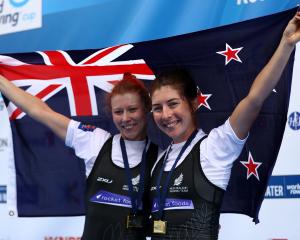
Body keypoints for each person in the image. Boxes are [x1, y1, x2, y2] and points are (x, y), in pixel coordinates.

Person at [149, 11, 300, 240]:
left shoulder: (216, 147)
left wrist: (286, 45)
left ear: (193, 103)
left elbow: (254, 100)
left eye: (172, 104)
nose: (165, 114)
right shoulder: (160, 159)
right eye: (157, 108)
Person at [0, 72, 158, 240]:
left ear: (146, 108)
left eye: (132, 109)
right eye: (118, 112)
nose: (126, 118)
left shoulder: (162, 157)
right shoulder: (96, 141)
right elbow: (40, 111)